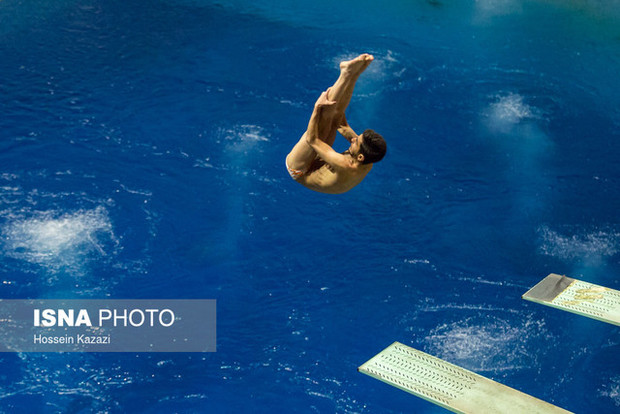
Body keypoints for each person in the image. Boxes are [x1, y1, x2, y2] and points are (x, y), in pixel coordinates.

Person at [285, 54, 386, 194]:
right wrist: (354, 78)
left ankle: (345, 74)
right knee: (336, 118)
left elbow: (312, 139)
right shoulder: (368, 160)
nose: (353, 138)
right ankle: (352, 74)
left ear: (360, 157)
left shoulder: (345, 165)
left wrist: (317, 107)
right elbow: (343, 126)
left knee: (322, 123)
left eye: (356, 141)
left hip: (299, 171)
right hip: (321, 163)